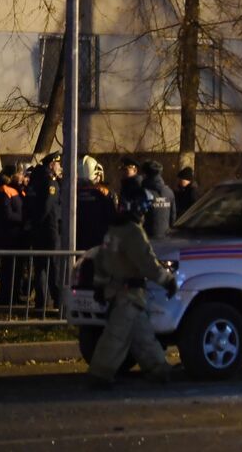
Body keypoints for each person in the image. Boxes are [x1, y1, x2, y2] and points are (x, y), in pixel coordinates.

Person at [87, 186, 178, 386]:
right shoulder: (134, 233)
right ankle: (100, 374)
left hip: (120, 292)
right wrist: (167, 280)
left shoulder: (113, 231)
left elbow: (102, 260)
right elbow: (148, 263)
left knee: (142, 335)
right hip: (128, 293)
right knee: (115, 336)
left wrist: (99, 286)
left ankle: (158, 369)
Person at [25, 151, 65, 309]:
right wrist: (40, 222)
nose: (60, 167)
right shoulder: (50, 181)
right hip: (50, 228)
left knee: (40, 265)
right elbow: (49, 205)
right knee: (54, 264)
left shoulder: (35, 179)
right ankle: (58, 299)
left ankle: (41, 300)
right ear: (51, 164)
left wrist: (34, 223)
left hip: (37, 229)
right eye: (58, 163)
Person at [0, 164, 26, 306]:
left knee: (17, 269)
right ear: (12, 175)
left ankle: (15, 296)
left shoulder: (17, 190)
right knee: (8, 269)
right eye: (20, 174)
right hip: (9, 236)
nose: (22, 177)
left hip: (17, 236)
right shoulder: (4, 191)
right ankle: (5, 297)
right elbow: (6, 214)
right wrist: (23, 218)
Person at [77, 155, 117, 251]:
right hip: (99, 242)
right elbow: (112, 217)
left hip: (78, 242)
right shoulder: (104, 193)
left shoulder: (72, 193)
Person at [140, 160, 176, 239]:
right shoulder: (169, 192)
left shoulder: (144, 193)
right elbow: (173, 216)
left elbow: (139, 215)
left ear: (146, 174)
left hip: (148, 237)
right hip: (166, 236)